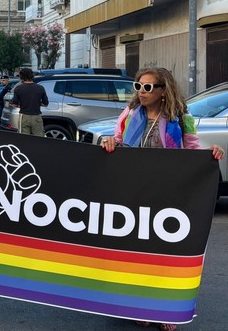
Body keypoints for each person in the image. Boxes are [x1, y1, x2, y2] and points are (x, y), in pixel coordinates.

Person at [101, 67, 224, 331]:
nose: (141, 92)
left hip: (169, 195)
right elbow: (118, 141)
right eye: (138, 86)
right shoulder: (130, 114)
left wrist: (210, 153)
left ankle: (165, 310)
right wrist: (109, 142)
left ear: (163, 90)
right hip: (134, 195)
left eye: (148, 87)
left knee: (166, 254)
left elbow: (192, 148)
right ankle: (140, 306)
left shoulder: (181, 118)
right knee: (137, 253)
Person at [10, 68, 49, 136]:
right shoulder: (40, 88)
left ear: (21, 77)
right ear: (32, 76)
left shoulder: (18, 88)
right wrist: (37, 103)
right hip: (37, 117)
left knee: (24, 138)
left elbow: (14, 104)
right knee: (39, 138)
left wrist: (21, 105)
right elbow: (46, 104)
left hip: (24, 116)